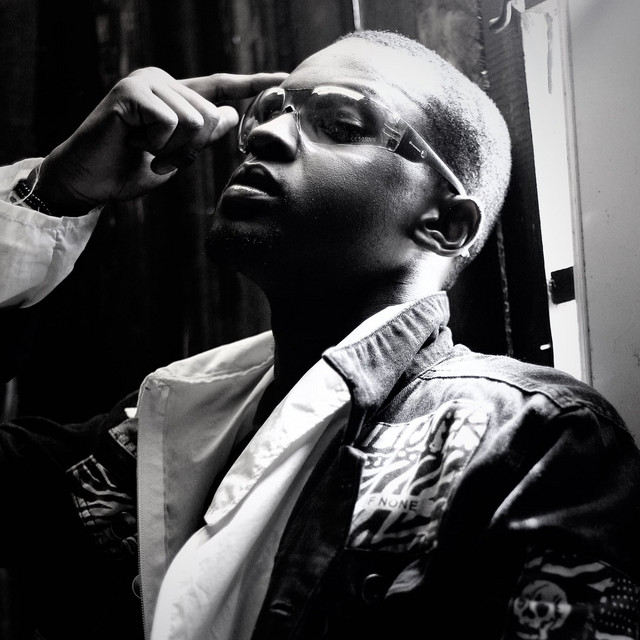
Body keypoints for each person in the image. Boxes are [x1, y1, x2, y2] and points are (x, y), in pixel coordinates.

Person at [1, 29, 639, 640]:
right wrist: (53, 192)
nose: (265, 134)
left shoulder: (528, 437)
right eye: (268, 112)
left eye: (341, 125)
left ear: (445, 224)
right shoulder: (155, 430)